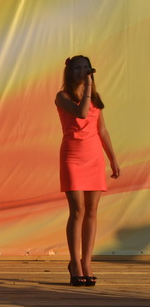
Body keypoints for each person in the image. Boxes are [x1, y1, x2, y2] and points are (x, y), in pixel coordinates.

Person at [55, 55, 119, 286]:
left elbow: (102, 130)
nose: (82, 72)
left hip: (94, 157)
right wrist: (89, 87)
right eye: (77, 68)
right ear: (69, 71)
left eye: (85, 68)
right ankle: (75, 264)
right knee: (78, 210)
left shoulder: (95, 98)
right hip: (72, 156)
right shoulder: (62, 96)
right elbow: (82, 114)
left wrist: (112, 159)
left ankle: (87, 263)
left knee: (92, 211)